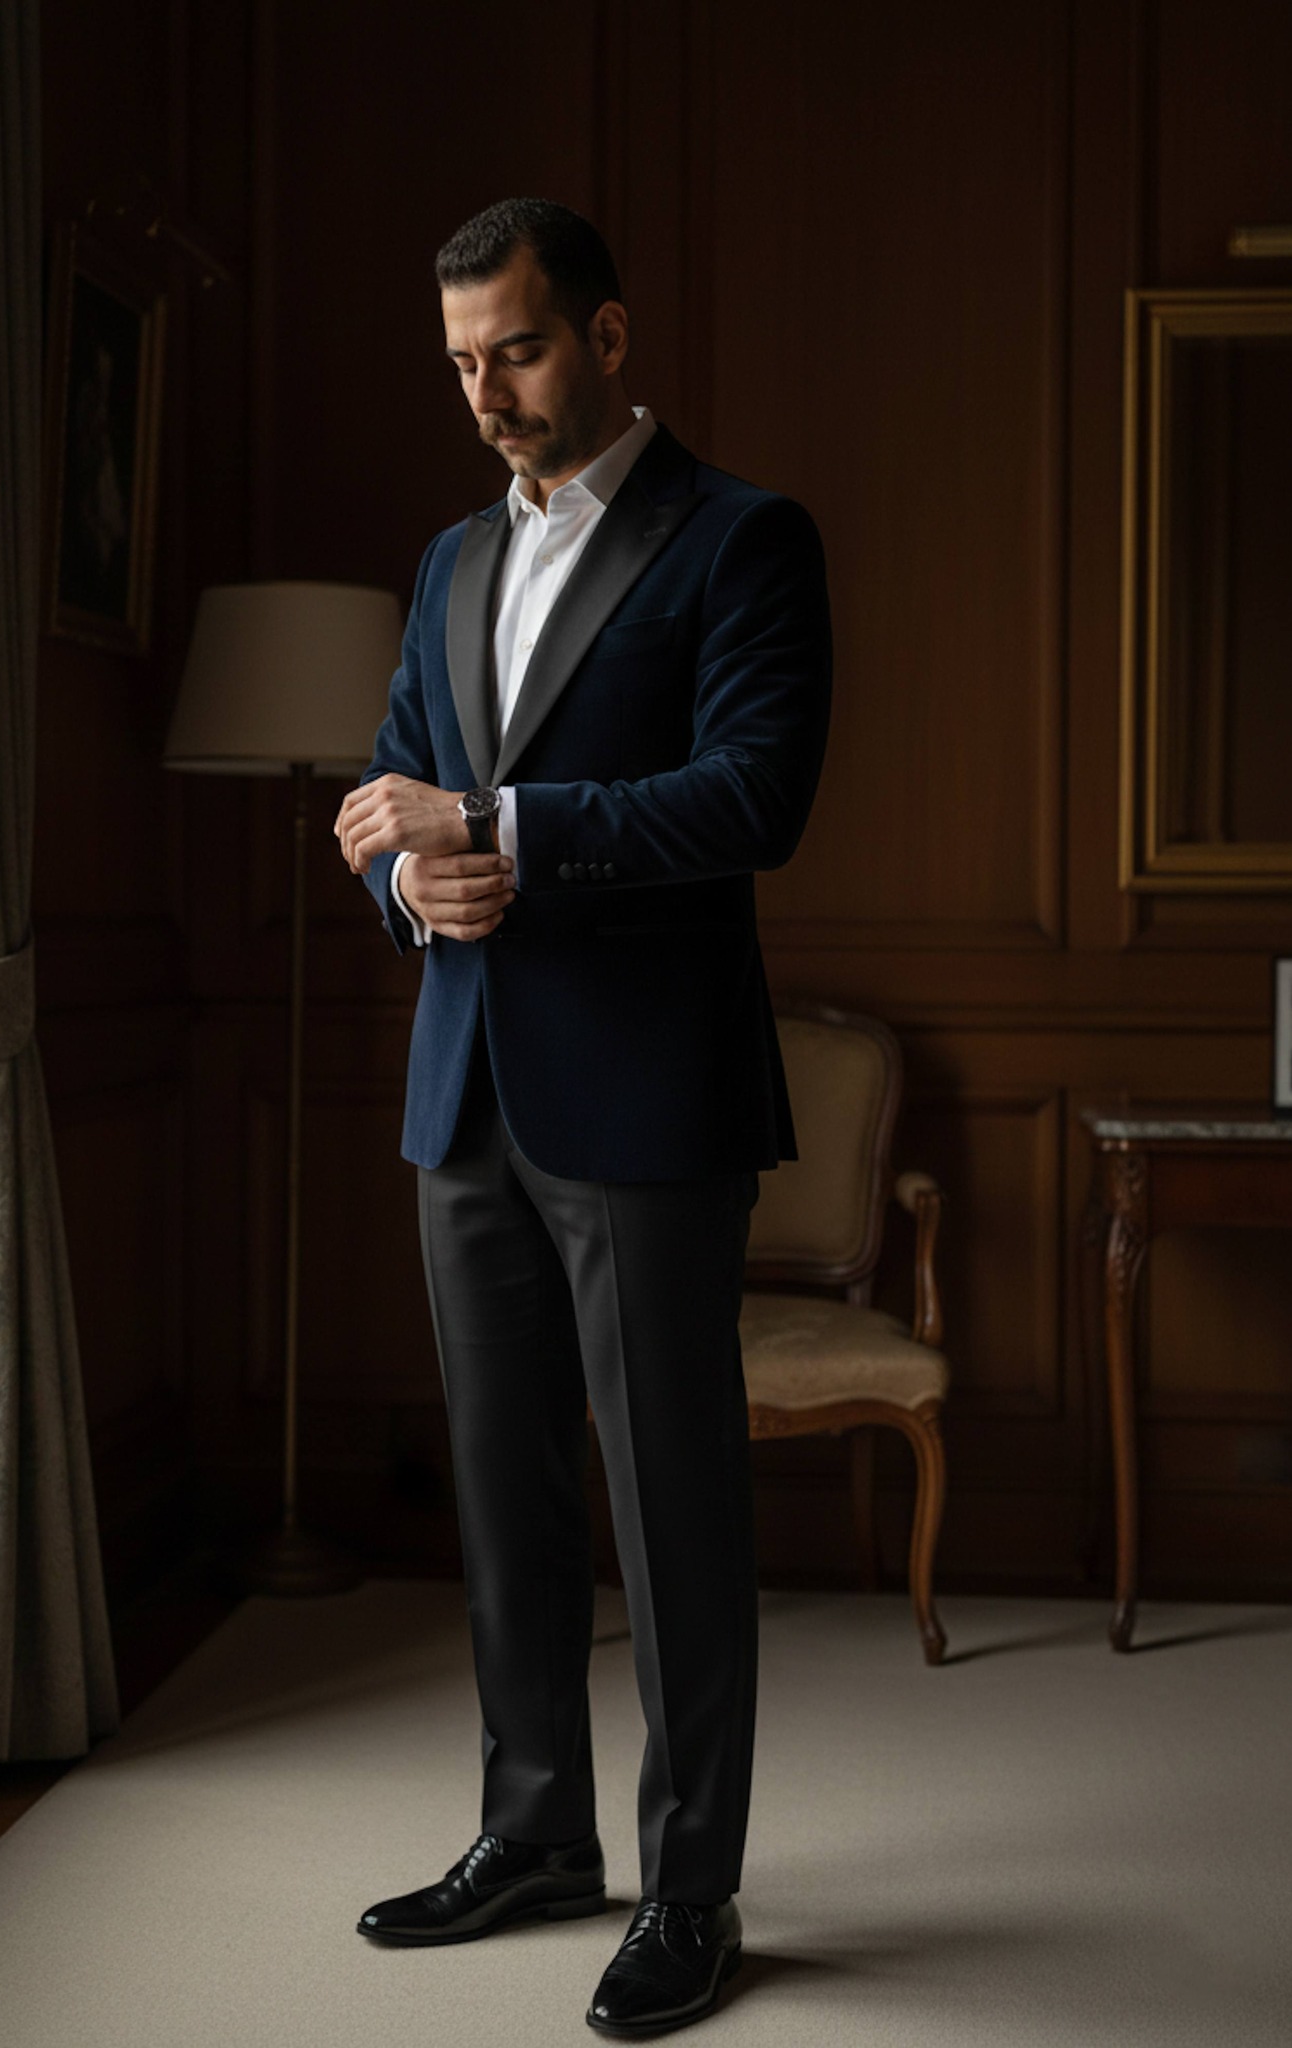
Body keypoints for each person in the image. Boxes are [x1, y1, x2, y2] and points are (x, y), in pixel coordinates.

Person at [335, 196, 831, 2037]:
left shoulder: (743, 541)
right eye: (463, 362)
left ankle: (692, 1883)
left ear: (610, 338)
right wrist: (407, 886)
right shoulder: (450, 559)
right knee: (505, 1495)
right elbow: (402, 803)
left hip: (649, 1096)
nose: (490, 392)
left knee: (674, 1503)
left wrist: (506, 836)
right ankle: (534, 1831)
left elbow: (752, 797)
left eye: (520, 350)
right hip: (464, 1088)